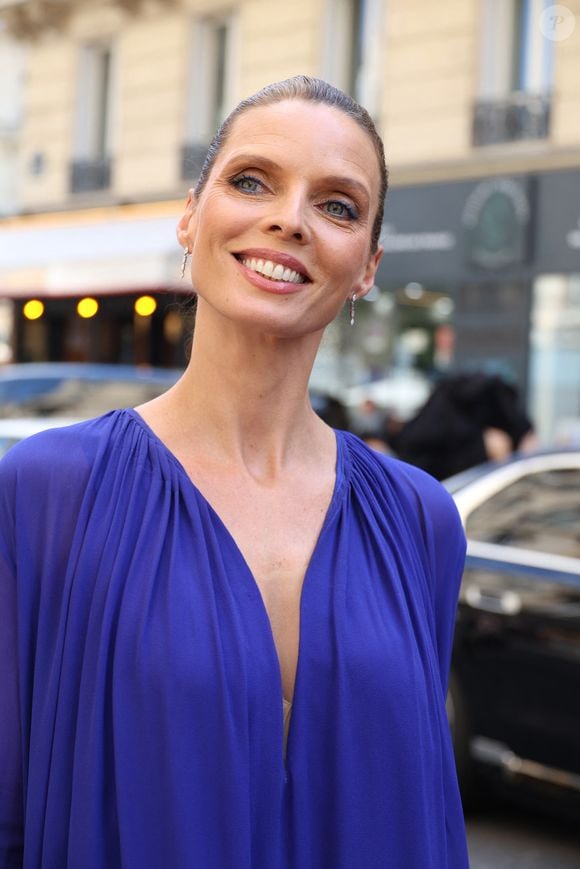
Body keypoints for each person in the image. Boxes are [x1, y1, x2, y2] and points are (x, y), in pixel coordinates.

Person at [0, 76, 469, 868]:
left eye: (338, 205)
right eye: (252, 181)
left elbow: (423, 805)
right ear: (191, 214)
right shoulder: (50, 489)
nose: (289, 218)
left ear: (367, 267)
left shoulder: (419, 520)